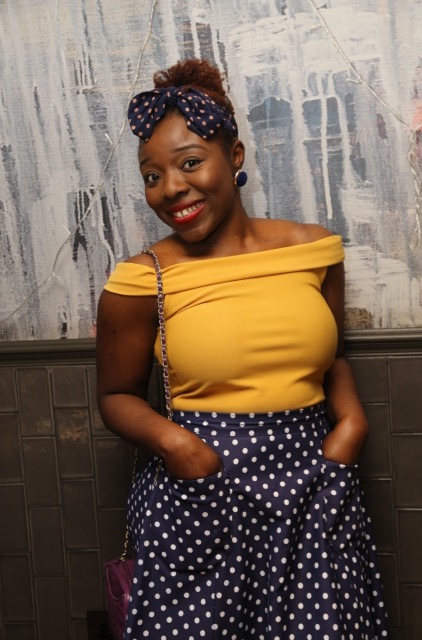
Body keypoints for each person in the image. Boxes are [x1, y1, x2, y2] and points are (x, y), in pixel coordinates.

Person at [96, 59, 389, 639]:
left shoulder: (313, 250)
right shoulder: (139, 279)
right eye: (152, 176)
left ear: (234, 155)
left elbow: (332, 356)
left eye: (189, 163)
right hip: (201, 491)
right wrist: (180, 446)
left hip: (313, 484)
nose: (170, 188)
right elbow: (115, 396)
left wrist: (351, 425)